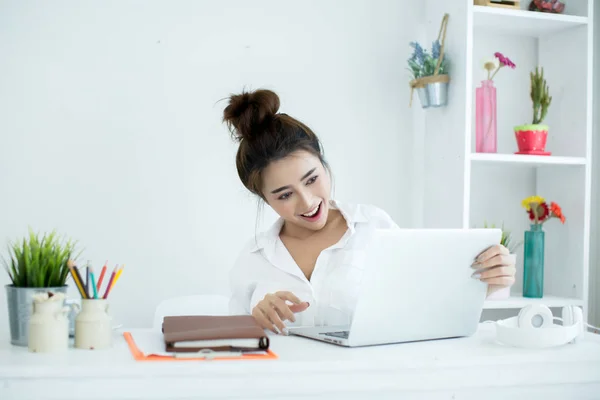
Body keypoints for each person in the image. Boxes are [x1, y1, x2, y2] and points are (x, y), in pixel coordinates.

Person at [222, 88, 516, 334]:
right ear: (263, 198)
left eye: (312, 179)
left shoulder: (374, 227)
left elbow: (426, 305)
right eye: (285, 195)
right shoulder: (253, 258)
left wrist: (486, 283)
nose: (308, 201)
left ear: (324, 164)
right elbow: (231, 346)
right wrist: (253, 322)